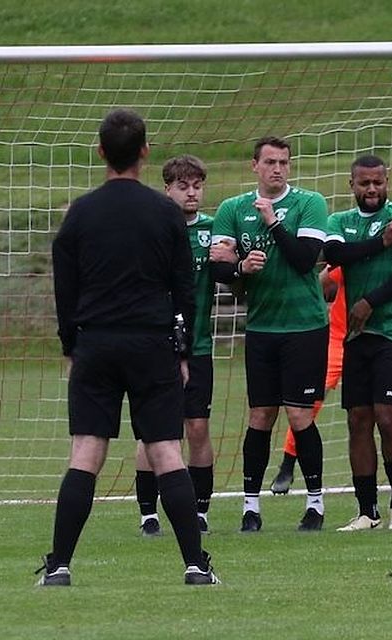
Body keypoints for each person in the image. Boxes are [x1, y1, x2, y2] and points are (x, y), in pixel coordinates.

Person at [40, 109, 218, 585]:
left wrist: (71, 344)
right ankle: (196, 566)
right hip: (151, 344)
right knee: (165, 451)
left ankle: (59, 566)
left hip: (96, 343)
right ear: (144, 151)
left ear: (101, 152)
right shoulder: (164, 213)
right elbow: (185, 289)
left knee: (86, 452)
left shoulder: (81, 211)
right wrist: (182, 351)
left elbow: (65, 286)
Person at [268, 210, 392, 496]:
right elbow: (323, 280)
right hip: (341, 338)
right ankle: (288, 465)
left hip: (391, 342)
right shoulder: (360, 260)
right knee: (312, 398)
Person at [209, 136, 329, 532]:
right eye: (270, 162)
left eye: (284, 162)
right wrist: (242, 268)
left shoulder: (309, 203)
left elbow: (304, 260)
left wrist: (274, 223)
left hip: (305, 326)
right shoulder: (232, 209)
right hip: (261, 328)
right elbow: (218, 268)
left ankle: (315, 504)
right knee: (260, 416)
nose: (278, 169)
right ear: (254, 166)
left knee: (299, 415)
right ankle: (250, 507)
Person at [320, 155, 392, 531]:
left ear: (387, 182)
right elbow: (333, 255)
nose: (372, 189)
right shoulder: (339, 222)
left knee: (387, 415)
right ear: (352, 185)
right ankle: (368, 511)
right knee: (357, 419)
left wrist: (368, 302)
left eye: (378, 183)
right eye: (364, 183)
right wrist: (380, 242)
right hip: (357, 335)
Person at [134, 155, 217, 536]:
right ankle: (148, 513)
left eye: (197, 186)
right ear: (167, 188)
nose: (191, 193)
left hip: (198, 346)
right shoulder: (150, 228)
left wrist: (238, 267)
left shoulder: (214, 232)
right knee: (152, 432)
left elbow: (233, 278)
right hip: (155, 346)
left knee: (197, 427)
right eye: (183, 186)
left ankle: (200, 510)